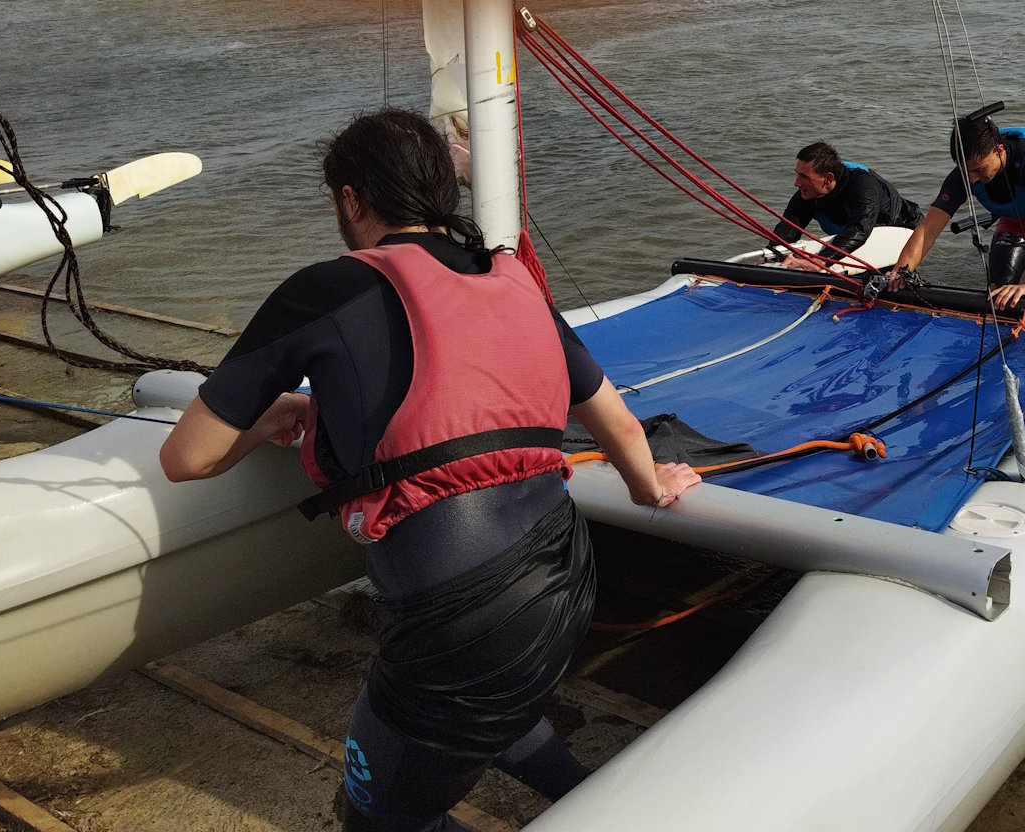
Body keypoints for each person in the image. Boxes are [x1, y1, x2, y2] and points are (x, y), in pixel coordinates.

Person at [158, 108, 700, 832]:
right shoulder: (513, 283)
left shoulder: (324, 290)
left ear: (350, 200)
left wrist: (261, 424)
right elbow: (622, 426)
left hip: (459, 618)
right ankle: (598, 801)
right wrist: (653, 487)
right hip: (565, 583)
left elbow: (186, 457)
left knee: (375, 814)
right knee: (487, 711)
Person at [890, 114, 1025, 309]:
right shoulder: (963, 175)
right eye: (965, 170)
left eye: (979, 170)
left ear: (999, 151)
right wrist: (900, 272)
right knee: (999, 292)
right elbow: (929, 229)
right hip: (1017, 216)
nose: (971, 178)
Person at [766, 141, 923, 271]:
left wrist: (821, 261)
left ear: (828, 179)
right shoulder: (808, 193)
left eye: (804, 177)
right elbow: (788, 229)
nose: (796, 183)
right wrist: (771, 255)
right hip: (857, 235)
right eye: (797, 174)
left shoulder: (862, 185)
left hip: (902, 232)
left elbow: (860, 229)